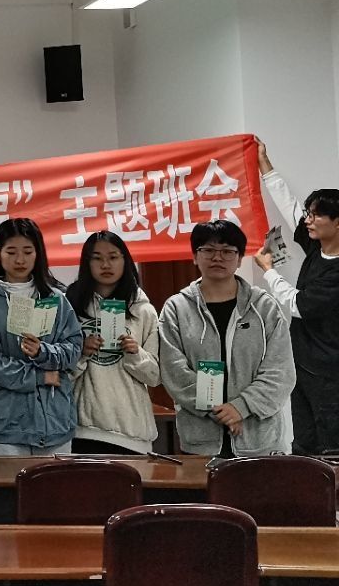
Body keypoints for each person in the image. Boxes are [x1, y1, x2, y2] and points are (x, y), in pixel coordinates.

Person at [159, 219, 295, 456]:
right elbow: (173, 370)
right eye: (208, 250)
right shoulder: (176, 308)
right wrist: (221, 411)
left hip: (259, 440)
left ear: (239, 258)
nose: (217, 257)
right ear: (195, 256)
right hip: (199, 442)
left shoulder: (264, 307)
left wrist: (241, 407)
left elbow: (280, 371)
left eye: (227, 251)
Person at [0, 218, 82, 456]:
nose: (20, 260)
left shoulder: (56, 298)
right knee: (9, 481)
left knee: (55, 481)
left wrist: (43, 352)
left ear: (38, 253)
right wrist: (38, 376)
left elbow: (74, 348)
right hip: (6, 421)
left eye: (28, 252)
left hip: (54, 420)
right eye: (11, 252)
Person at [256, 140, 339, 455]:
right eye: (310, 214)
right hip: (302, 365)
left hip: (329, 373)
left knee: (331, 448)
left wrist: (268, 271)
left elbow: (299, 305)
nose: (308, 220)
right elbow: (291, 209)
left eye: (317, 216)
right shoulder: (318, 247)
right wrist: (265, 163)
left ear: (337, 222)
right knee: (303, 445)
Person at [66, 232, 160, 455]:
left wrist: (135, 353)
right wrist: (81, 353)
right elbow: (60, 374)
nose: (105, 265)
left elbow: (155, 377)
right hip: (82, 429)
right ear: (86, 263)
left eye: (113, 257)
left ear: (125, 260)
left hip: (132, 431)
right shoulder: (71, 307)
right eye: (97, 258)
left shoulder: (143, 311)